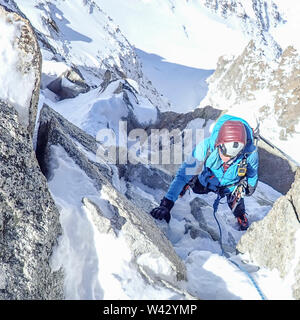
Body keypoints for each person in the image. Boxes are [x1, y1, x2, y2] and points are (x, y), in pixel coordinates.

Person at [150, 114, 259, 231]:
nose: (226, 159)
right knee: (195, 186)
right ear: (219, 143)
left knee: (237, 204)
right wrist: (166, 204)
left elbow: (252, 173)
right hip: (207, 181)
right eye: (224, 153)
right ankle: (188, 184)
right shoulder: (205, 147)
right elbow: (183, 175)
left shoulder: (250, 154)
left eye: (232, 156)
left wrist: (250, 186)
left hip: (231, 186)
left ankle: (240, 215)